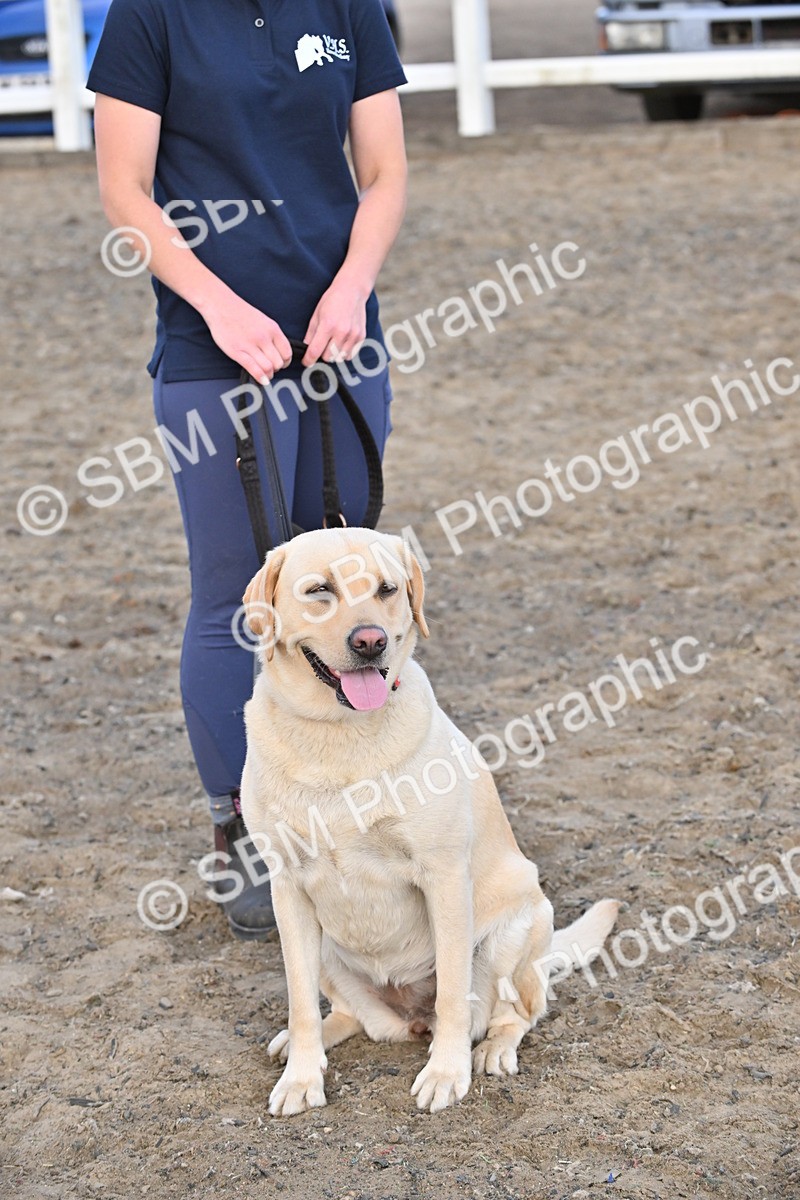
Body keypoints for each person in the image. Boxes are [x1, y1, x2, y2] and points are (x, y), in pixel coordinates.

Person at [87, 0, 408, 938]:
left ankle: (344, 817)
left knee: (348, 593)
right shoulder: (148, 15)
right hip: (211, 351)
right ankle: (243, 833)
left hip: (340, 343)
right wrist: (219, 308)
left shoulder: (347, 4)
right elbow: (125, 189)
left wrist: (352, 288)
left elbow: (383, 172)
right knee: (239, 599)